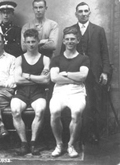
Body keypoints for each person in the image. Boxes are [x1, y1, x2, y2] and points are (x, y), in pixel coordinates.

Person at [60, 2, 111, 144]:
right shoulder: (70, 30)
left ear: (89, 13)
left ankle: (92, 134)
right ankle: (72, 136)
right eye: (80, 11)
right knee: (73, 104)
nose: (83, 14)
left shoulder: (98, 30)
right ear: (76, 14)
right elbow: (62, 53)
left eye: (86, 11)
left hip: (94, 74)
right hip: (74, 73)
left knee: (92, 105)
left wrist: (105, 72)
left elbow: (105, 53)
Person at [50, 27, 90, 158]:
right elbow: (54, 78)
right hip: (59, 92)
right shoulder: (56, 59)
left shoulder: (84, 59)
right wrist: (74, 77)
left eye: (72, 39)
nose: (69, 41)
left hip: (77, 92)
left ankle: (71, 145)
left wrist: (66, 74)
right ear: (64, 42)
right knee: (54, 112)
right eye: (67, 39)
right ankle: (59, 144)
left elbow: (83, 77)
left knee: (77, 112)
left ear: (78, 40)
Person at [11, 29, 50, 156]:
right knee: (15, 110)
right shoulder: (19, 59)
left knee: (40, 110)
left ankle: (33, 143)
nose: (31, 44)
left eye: (33, 41)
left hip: (38, 93)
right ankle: (24, 143)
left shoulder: (45, 59)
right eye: (28, 42)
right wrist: (37, 78)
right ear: (25, 43)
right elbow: (17, 80)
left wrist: (27, 75)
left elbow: (46, 80)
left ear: (38, 42)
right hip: (21, 92)